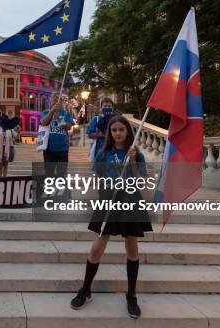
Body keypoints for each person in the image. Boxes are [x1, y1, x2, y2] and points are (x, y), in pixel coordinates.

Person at [71, 115, 152, 319]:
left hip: (130, 201)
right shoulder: (103, 153)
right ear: (110, 132)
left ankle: (131, 295)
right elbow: (97, 176)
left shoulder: (136, 154)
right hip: (108, 200)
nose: (118, 133)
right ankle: (86, 289)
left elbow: (141, 179)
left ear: (127, 132)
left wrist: (133, 160)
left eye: (121, 130)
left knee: (131, 247)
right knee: (98, 245)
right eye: (114, 130)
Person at [40, 93, 75, 197]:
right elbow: (43, 122)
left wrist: (59, 118)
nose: (56, 100)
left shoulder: (66, 113)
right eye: (54, 98)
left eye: (59, 99)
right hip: (49, 148)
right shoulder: (45, 112)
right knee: (49, 173)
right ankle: (49, 194)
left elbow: (68, 127)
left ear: (62, 101)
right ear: (51, 100)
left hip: (62, 148)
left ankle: (65, 195)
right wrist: (51, 112)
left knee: (62, 173)